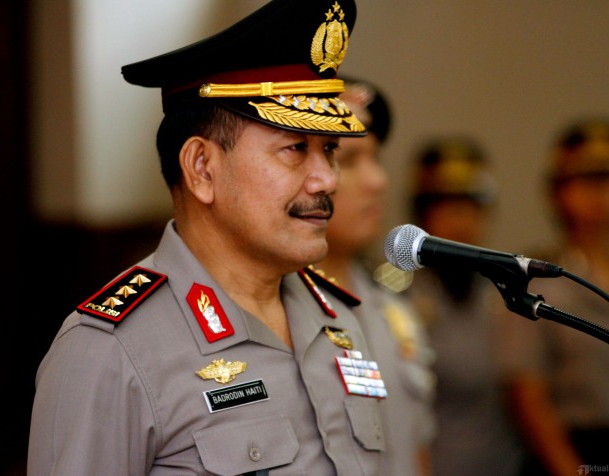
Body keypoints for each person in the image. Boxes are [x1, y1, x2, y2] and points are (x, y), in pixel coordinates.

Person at [27, 1, 391, 474]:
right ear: (201, 168)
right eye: (295, 148)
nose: (327, 179)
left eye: (330, 150)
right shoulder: (110, 352)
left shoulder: (337, 319)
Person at [314, 78, 436, 476]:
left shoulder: (392, 310)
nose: (378, 181)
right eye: (349, 161)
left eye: (376, 158)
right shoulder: (280, 311)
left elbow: (415, 452)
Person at [499, 116, 609, 475]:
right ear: (559, 191)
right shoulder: (539, 276)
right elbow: (526, 395)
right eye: (587, 180)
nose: (602, 193)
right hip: (575, 450)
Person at [402, 137, 525, 476]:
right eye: (446, 207)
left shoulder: (507, 293)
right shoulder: (398, 299)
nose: (460, 223)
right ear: (422, 216)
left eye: (471, 207)